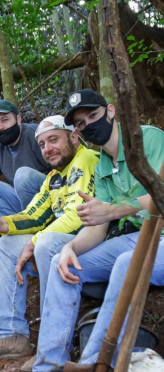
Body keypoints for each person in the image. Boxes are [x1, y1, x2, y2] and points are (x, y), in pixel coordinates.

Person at [32, 89, 164, 371]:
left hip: (160, 238)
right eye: (80, 123)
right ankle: (48, 363)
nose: (88, 125)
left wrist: (116, 209)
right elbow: (97, 228)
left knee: (127, 262)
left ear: (112, 111)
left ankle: (94, 360)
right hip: (134, 238)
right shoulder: (103, 164)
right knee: (61, 262)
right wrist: (71, 247)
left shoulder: (148, 138)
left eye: (93, 115)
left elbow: (161, 195)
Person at [0, 115, 100, 370]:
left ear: (73, 137)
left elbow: (77, 215)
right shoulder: (54, 177)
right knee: (6, 246)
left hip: (88, 243)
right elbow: (34, 215)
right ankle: (11, 335)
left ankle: (51, 348)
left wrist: (34, 242)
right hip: (60, 241)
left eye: (53, 140)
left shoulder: (86, 159)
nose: (47, 148)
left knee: (46, 242)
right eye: (41, 144)